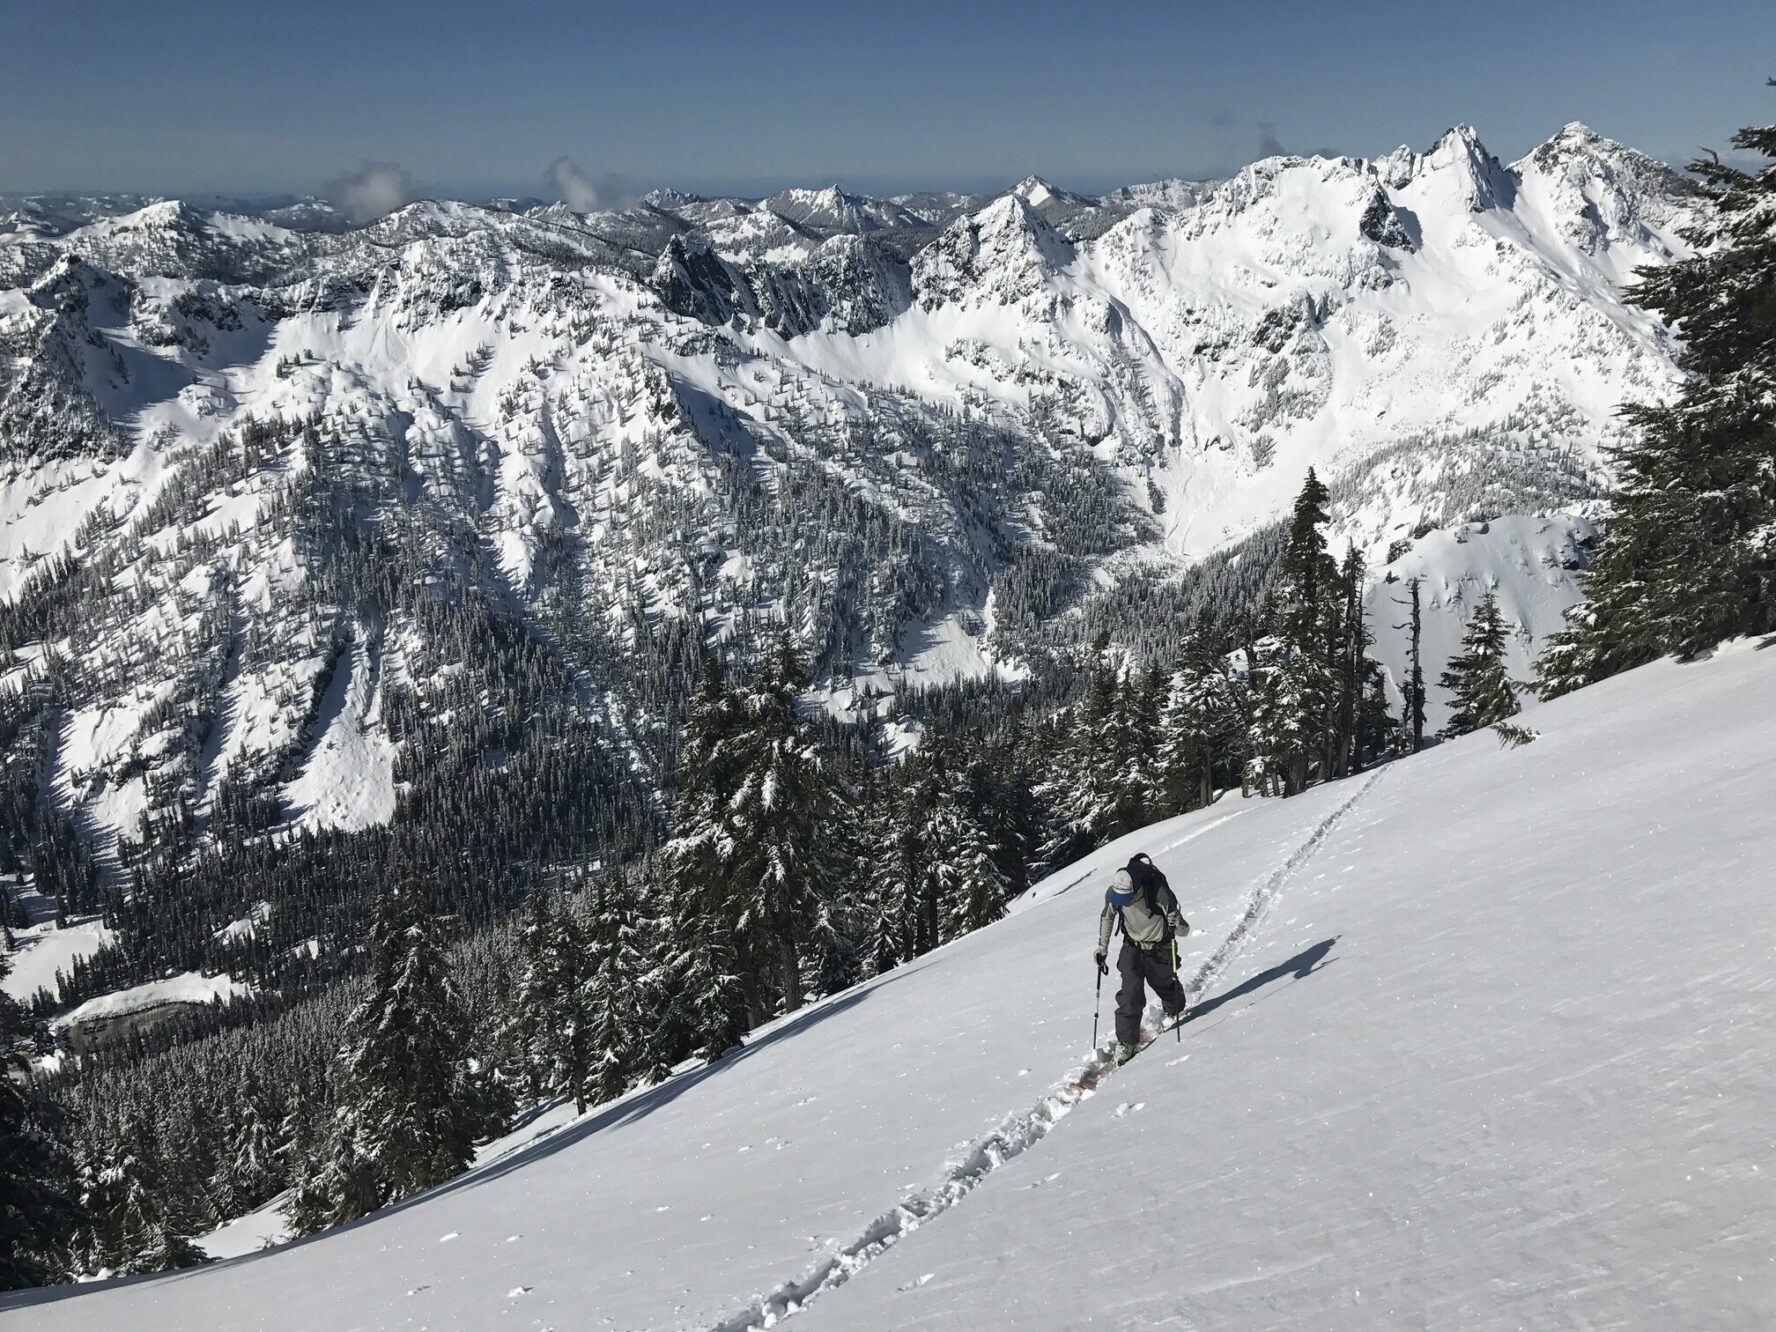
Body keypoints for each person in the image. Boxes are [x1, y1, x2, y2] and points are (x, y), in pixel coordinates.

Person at [1094, 852, 1191, 1064]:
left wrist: (1175, 921)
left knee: (1164, 984)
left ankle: (1173, 1008)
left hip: (1160, 946)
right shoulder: (1115, 893)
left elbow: (1184, 930)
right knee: (1130, 993)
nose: (1123, 903)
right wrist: (1102, 948)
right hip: (1132, 947)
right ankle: (1127, 1042)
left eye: (1126, 899)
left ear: (1136, 888)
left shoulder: (1158, 892)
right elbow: (1107, 916)